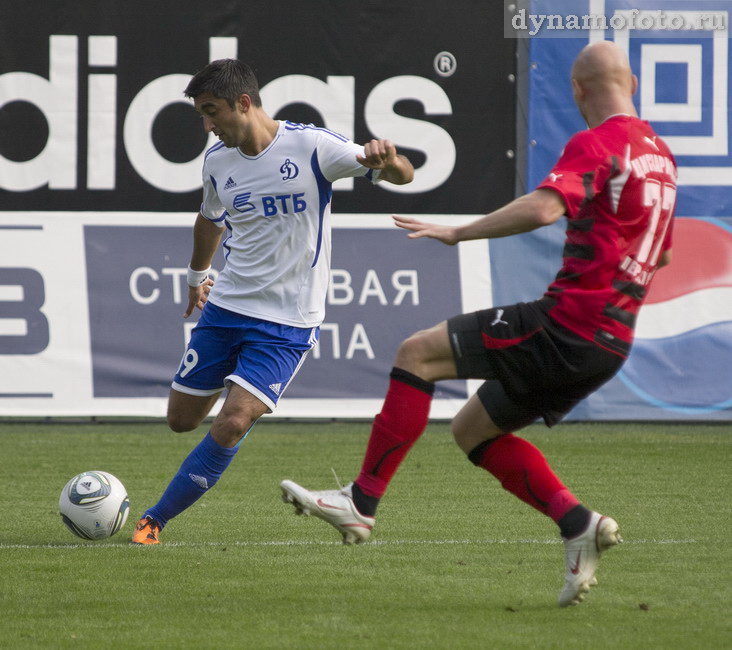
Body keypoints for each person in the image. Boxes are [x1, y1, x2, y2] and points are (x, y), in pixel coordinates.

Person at [281, 41, 677, 607]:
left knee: (417, 354)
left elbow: (544, 207)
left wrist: (457, 231)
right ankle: (578, 524)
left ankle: (360, 504)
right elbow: (660, 256)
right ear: (632, 84)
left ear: (578, 91)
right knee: (473, 431)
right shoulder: (662, 156)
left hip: (569, 324)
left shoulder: (599, 144)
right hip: (612, 344)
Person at [131, 59, 414, 545]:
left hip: (288, 321)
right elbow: (210, 218)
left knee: (233, 420)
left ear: (244, 103)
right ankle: (233, 414)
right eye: (202, 114)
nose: (207, 125)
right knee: (181, 421)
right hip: (227, 308)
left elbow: (403, 175)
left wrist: (388, 161)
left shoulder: (312, 147)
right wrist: (198, 276)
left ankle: (153, 521)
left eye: (211, 111)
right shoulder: (218, 162)